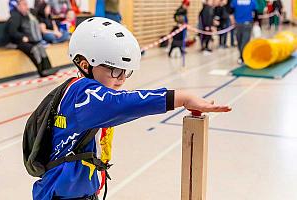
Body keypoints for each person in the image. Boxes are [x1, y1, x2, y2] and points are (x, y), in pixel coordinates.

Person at [31, 17, 231, 200]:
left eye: (126, 72)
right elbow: (124, 103)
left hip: (73, 192)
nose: (122, 79)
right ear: (85, 64)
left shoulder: (78, 89)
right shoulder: (84, 95)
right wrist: (183, 98)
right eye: (115, 70)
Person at [7, 0, 57, 77]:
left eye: (26, 4)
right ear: (18, 6)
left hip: (28, 41)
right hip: (17, 42)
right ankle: (41, 71)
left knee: (41, 47)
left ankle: (48, 68)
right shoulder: (15, 16)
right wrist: (21, 37)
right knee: (34, 50)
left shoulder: (27, 15)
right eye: (24, 5)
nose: (26, 7)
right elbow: (12, 32)